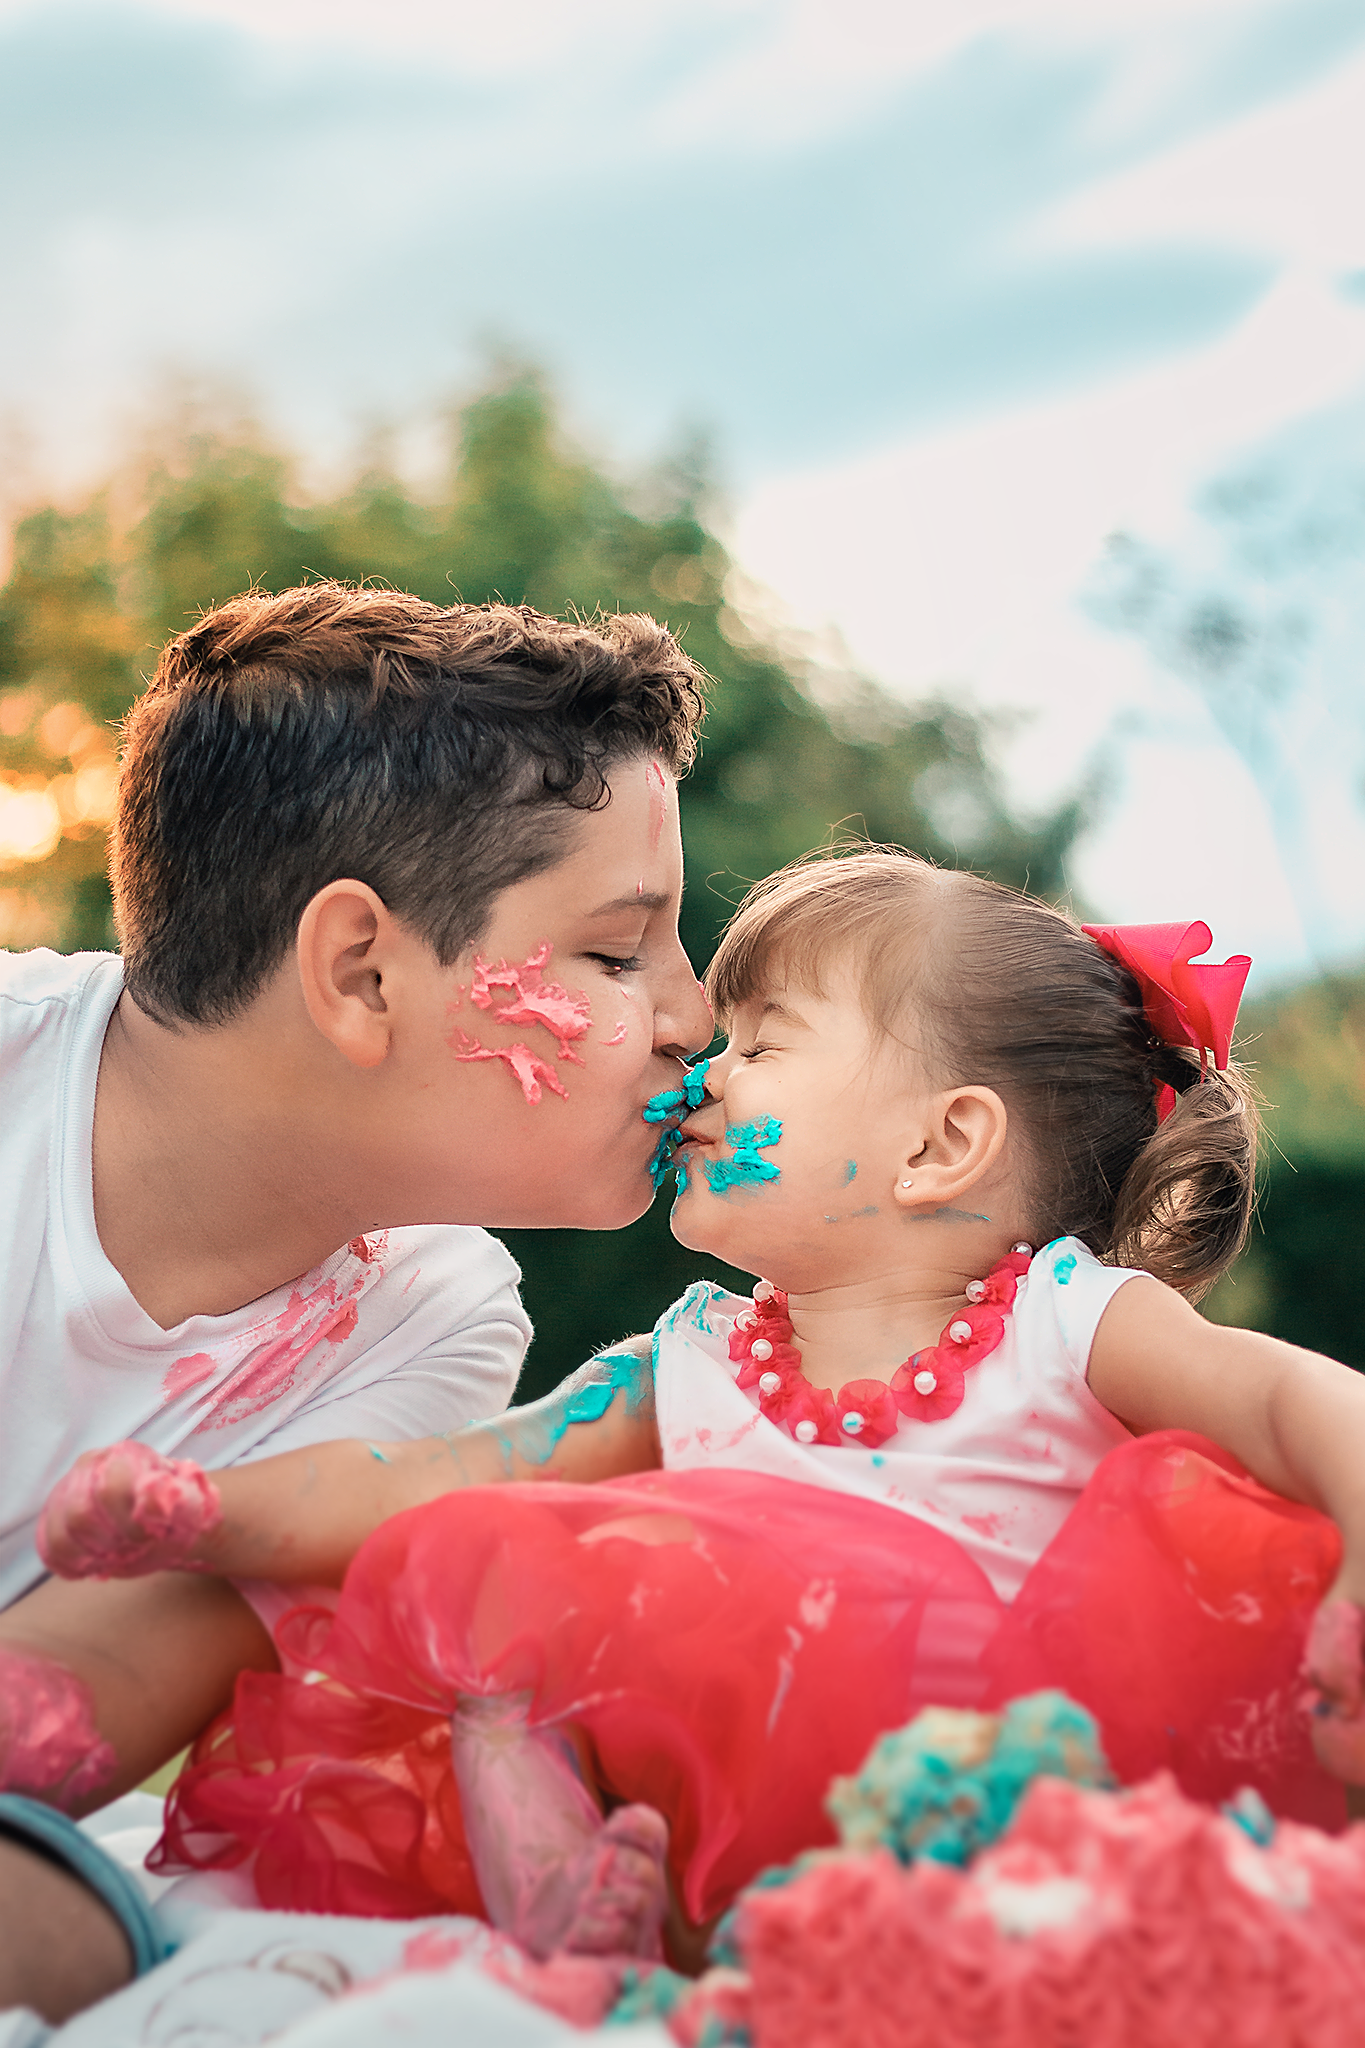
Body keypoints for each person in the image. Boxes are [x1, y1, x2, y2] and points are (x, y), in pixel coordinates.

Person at [35, 851, 1365, 1970]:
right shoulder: (693, 1363)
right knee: (483, 1580)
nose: (706, 1076)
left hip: (1012, 1806)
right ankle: (575, 1900)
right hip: (733, 1861)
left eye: (765, 1044)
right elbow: (429, 1477)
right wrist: (203, 1506)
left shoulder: (1065, 1325)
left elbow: (1297, 1398)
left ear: (940, 1147)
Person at [0, 582, 713, 2020]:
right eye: (621, 951)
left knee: (56, 1929)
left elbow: (62, 1720)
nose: (694, 1018)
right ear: (361, 973)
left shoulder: (441, 1320)